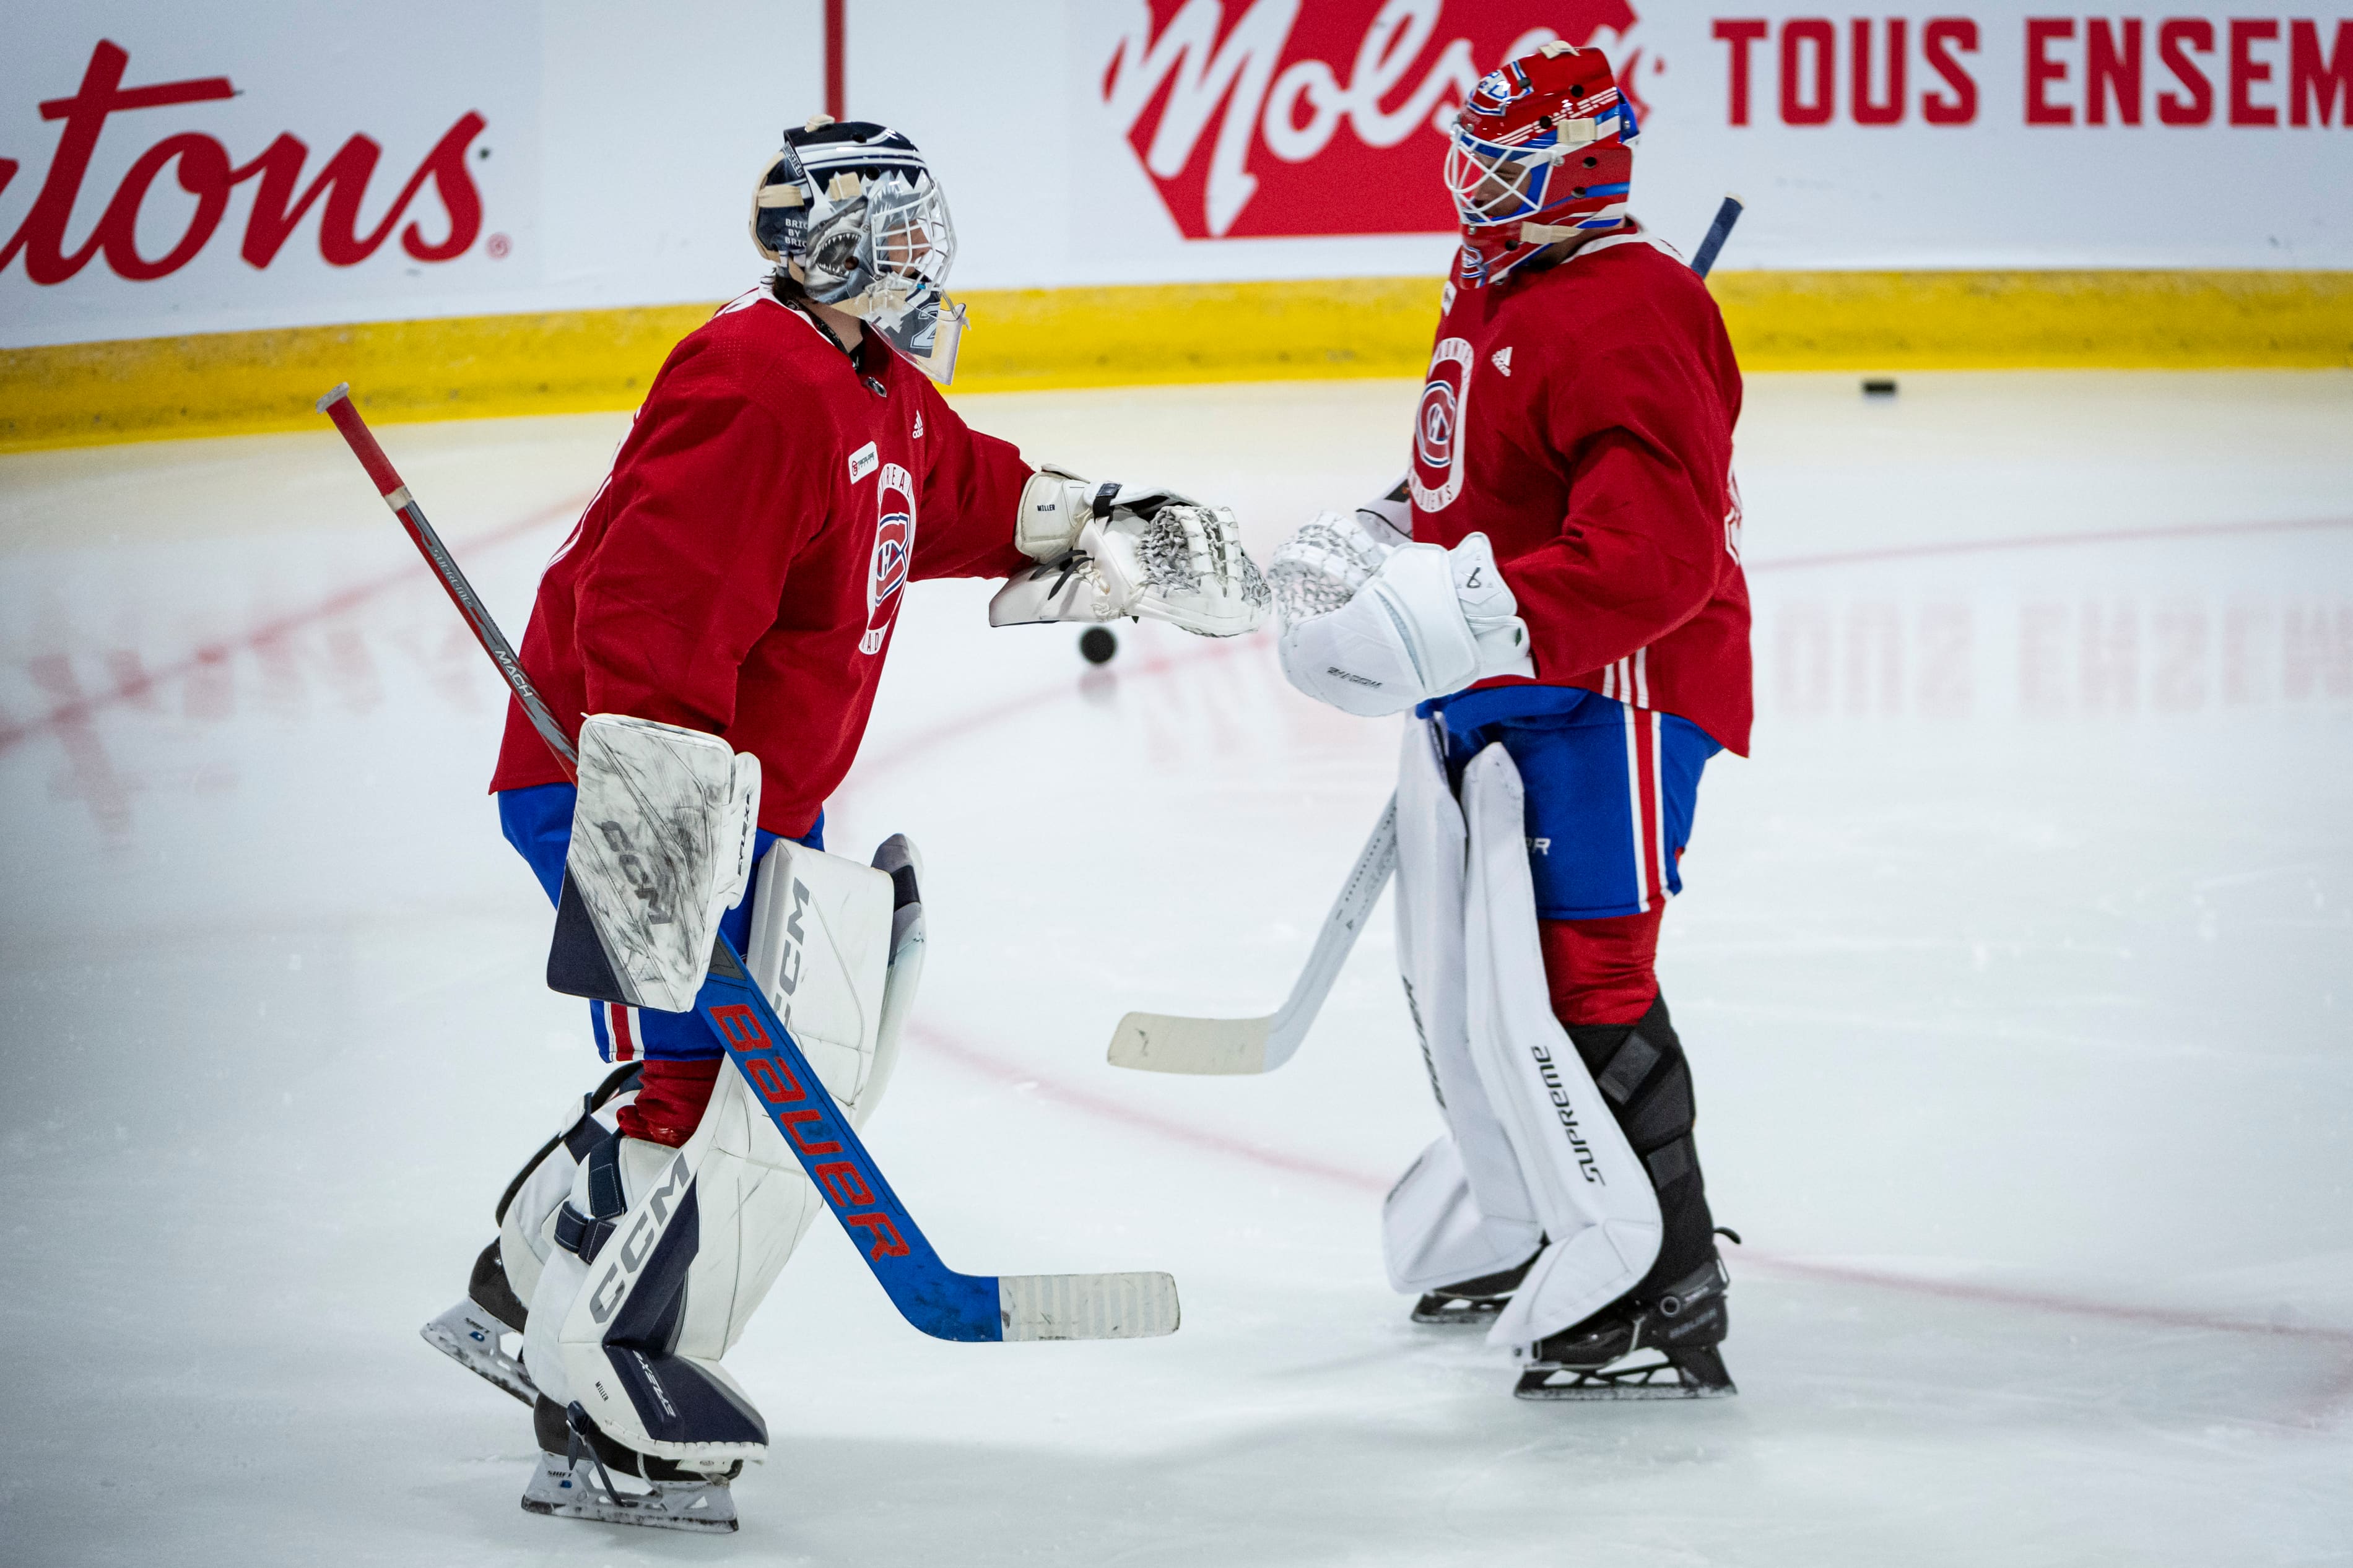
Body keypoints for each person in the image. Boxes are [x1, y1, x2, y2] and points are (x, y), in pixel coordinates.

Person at [419, 114, 1267, 1531]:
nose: (933, 263)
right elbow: (652, 598)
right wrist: (659, 822)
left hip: (728, 793)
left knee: (724, 1072)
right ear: (854, 250)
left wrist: (1090, 519)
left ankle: (528, 1291)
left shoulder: (861, 380)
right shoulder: (756, 381)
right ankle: (609, 1387)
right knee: (715, 1084)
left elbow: (952, 490)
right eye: (911, 237)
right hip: (633, 784)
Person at [1267, 42, 1750, 1400]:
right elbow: (1493, 473)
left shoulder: (1636, 305)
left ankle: (1664, 1282)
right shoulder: (1500, 276)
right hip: (1507, 685)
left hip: (1617, 692)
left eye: (1503, 152)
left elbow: (1654, 562)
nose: (1471, 172)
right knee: (1472, 972)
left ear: (1580, 159)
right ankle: (1538, 1206)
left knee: (1583, 976)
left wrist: (1454, 609)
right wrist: (1396, 533)